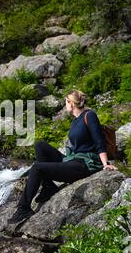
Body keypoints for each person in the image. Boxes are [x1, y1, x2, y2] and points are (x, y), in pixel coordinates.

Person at [8, 89, 118, 224]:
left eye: (66, 102)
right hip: (72, 160)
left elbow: (99, 141)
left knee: (37, 168)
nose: (65, 105)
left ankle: (23, 208)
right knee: (40, 145)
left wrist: (105, 163)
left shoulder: (89, 116)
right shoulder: (75, 120)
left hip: (84, 164)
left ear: (71, 103)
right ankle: (48, 187)